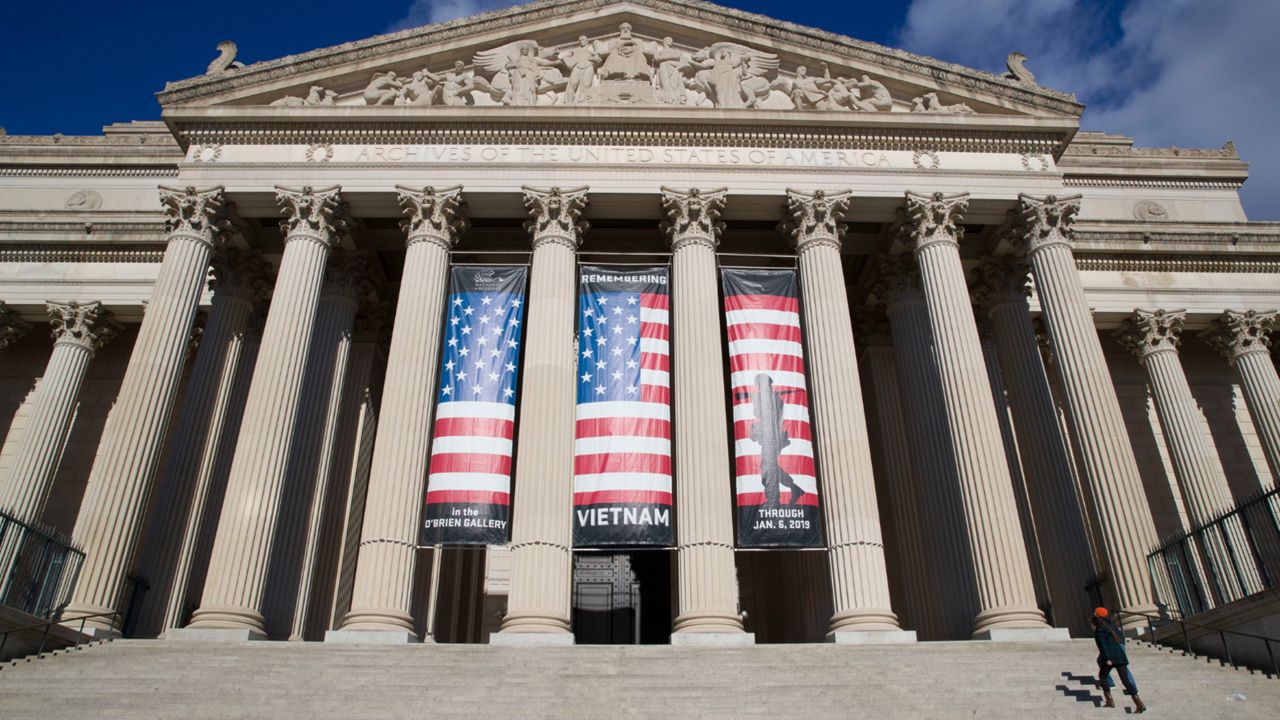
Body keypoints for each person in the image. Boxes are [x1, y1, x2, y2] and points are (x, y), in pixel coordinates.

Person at [1091, 607, 1147, 713]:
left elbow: (1102, 645)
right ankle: (1139, 703)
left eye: (1095, 613)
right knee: (1125, 679)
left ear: (1097, 615)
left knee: (1102, 677)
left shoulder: (1100, 629)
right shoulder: (1111, 625)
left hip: (1110, 657)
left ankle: (1109, 701)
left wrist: (1107, 658)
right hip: (1120, 655)